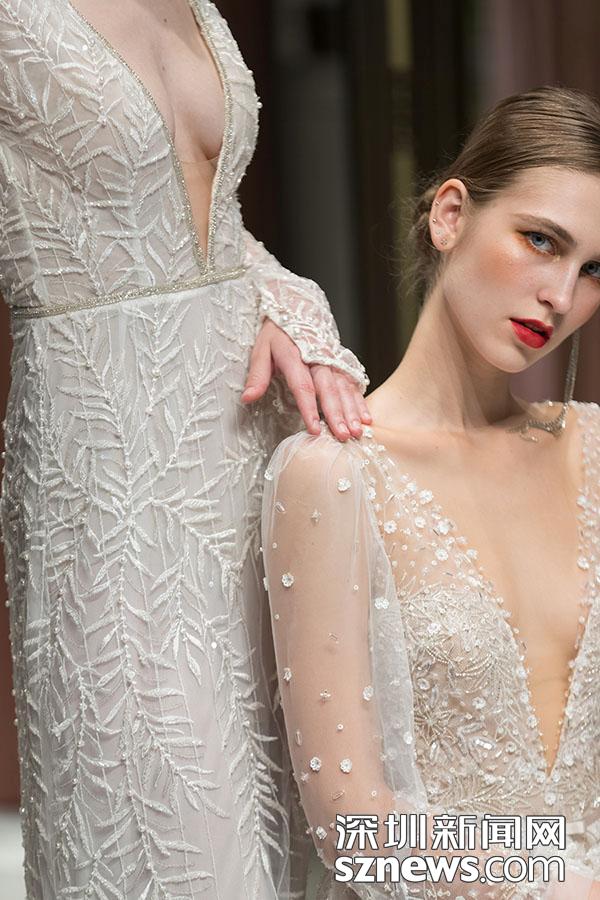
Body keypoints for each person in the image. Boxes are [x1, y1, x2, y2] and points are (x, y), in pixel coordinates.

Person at [0, 0, 371, 897]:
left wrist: (290, 297)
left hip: (249, 448)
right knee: (159, 802)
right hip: (107, 463)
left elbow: (208, 224)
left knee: (296, 799)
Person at [262, 85, 600, 899]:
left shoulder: (594, 450)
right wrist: (567, 885)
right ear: (450, 216)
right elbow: (356, 833)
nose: (561, 296)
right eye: (540, 240)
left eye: (593, 270)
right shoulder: (333, 474)